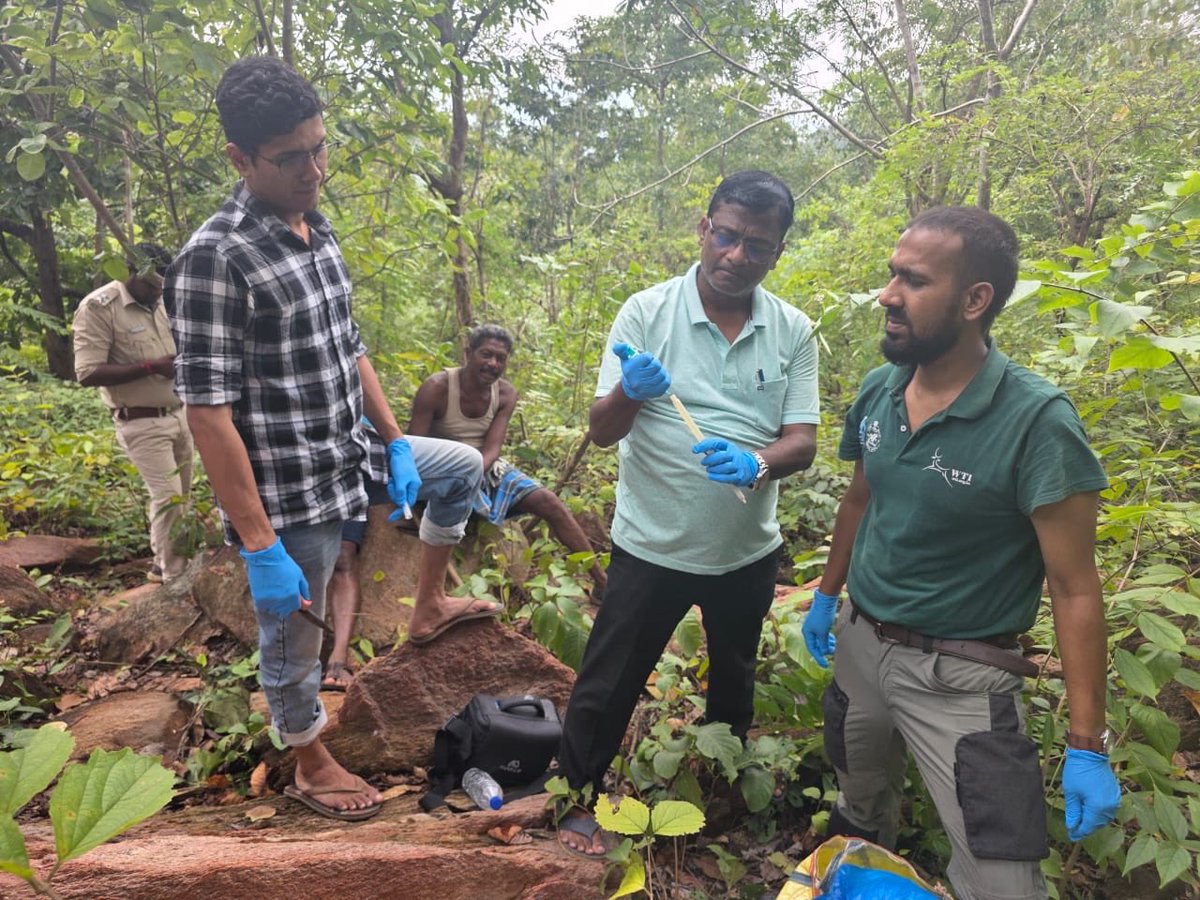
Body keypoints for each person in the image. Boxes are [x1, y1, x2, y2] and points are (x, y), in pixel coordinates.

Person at [165, 56, 494, 821]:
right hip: (289, 486)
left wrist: (398, 440)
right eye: (291, 157)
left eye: (320, 147)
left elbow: (351, 349)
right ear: (240, 159)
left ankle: (430, 603)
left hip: (353, 450)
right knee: (292, 639)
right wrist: (258, 544)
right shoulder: (215, 257)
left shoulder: (316, 228)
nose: (313, 168)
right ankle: (309, 759)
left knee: (463, 468)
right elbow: (207, 413)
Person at [801, 207, 1120, 900]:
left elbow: (1075, 588)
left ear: (976, 301)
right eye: (892, 275)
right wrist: (827, 597)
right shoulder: (881, 388)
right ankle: (859, 863)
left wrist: (1087, 743)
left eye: (912, 281)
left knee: (1005, 884)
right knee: (858, 800)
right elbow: (861, 500)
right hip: (861, 646)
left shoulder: (1036, 422)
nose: (887, 295)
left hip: (963, 679)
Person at [556, 170, 820, 855]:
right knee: (608, 680)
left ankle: (722, 793)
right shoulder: (647, 312)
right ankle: (574, 797)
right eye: (725, 235)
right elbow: (604, 428)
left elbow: (802, 442)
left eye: (755, 246)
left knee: (733, 679)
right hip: (652, 545)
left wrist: (758, 462)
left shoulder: (792, 330)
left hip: (745, 550)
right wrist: (631, 394)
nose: (735, 255)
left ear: (776, 253)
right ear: (704, 228)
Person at [408, 323, 608, 593]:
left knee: (549, 502)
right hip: (443, 470)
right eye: (486, 354)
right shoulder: (437, 387)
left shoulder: (505, 394)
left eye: (500, 358)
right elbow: (414, 448)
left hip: (483, 467)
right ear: (469, 353)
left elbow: (493, 448)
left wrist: (474, 472)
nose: (492, 363)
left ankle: (602, 582)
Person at [322, 424, 487, 691]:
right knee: (305, 562)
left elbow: (364, 384)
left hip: (351, 451)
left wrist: (397, 445)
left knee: (344, 558)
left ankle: (337, 660)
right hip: (290, 466)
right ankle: (298, 697)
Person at [73, 242, 193, 584]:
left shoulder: (160, 301)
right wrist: (151, 366)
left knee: (180, 499)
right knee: (169, 500)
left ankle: (160, 564)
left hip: (179, 413)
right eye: (150, 285)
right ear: (129, 271)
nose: (157, 292)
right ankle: (175, 578)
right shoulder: (99, 307)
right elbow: (87, 372)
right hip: (140, 420)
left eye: (161, 285)